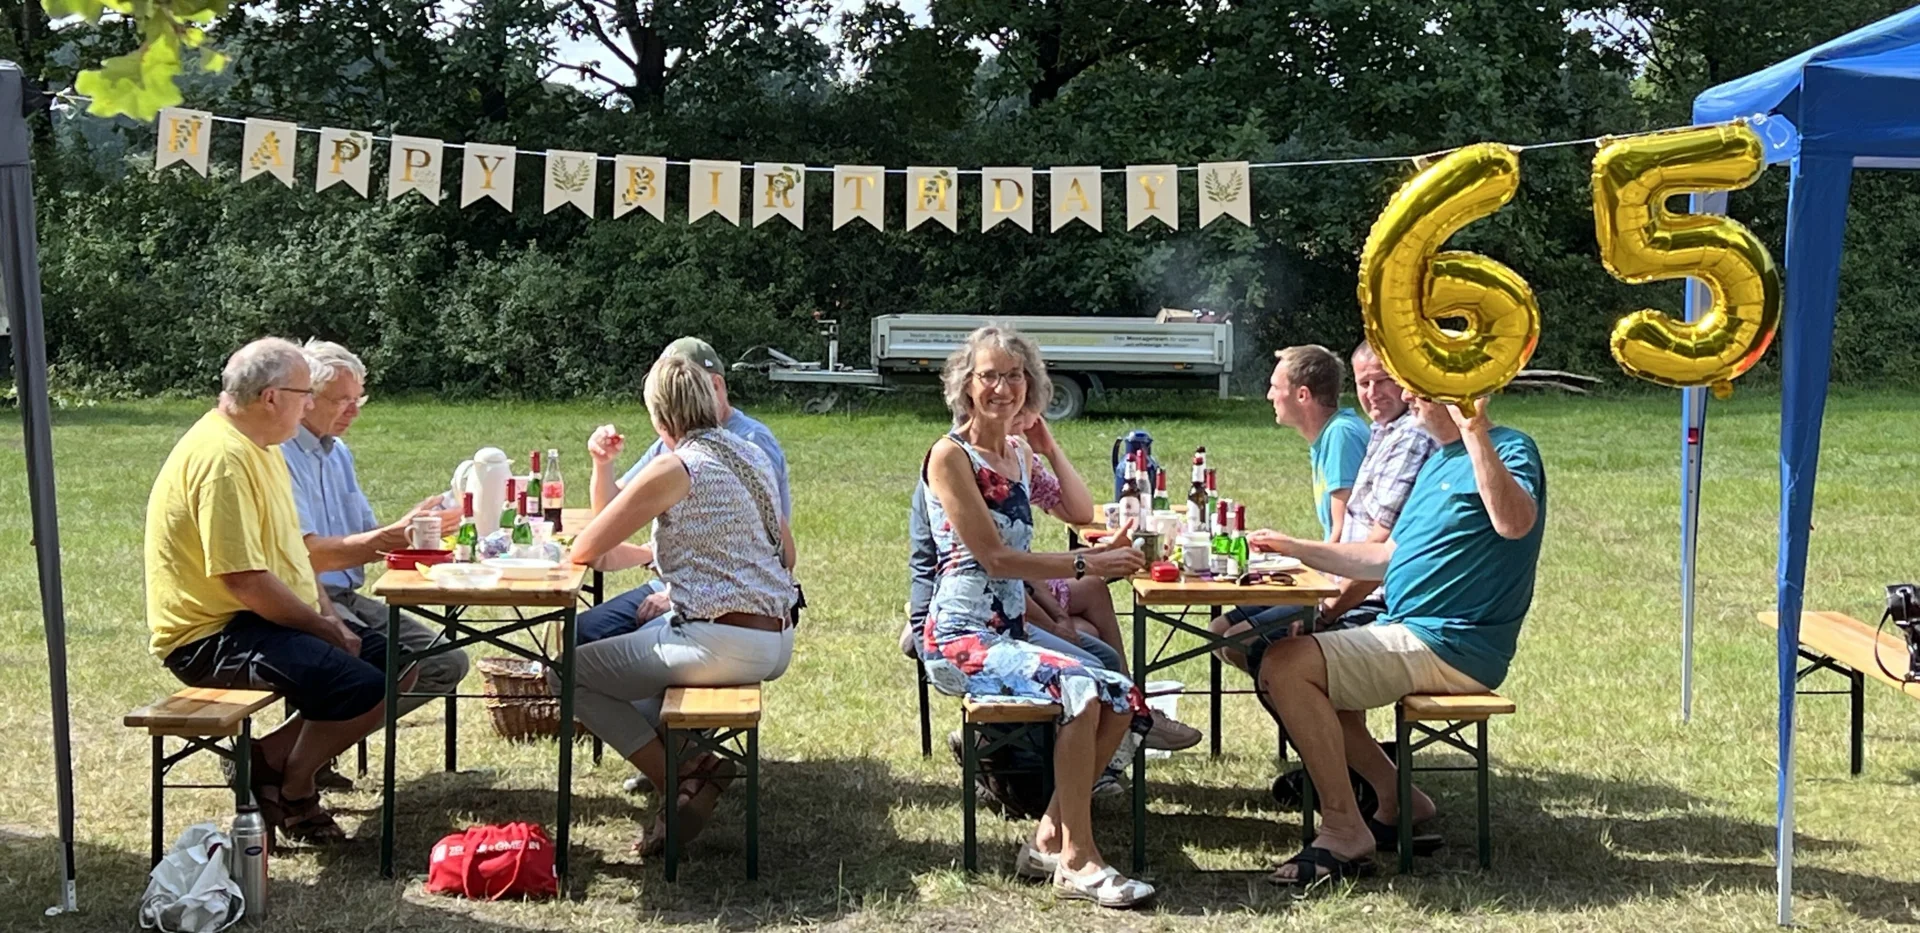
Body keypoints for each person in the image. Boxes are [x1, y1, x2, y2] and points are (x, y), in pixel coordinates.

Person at [1257, 395, 1545, 885]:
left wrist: (1473, 428)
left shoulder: (1510, 448)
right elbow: (1385, 556)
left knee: (1286, 666)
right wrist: (1293, 549)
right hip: (1410, 629)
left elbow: (1513, 524)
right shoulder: (1437, 460)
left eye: (1421, 387)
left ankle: (1345, 830)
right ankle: (1399, 800)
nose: (1408, 396)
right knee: (1279, 657)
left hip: (1452, 644)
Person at [920, 325, 1156, 908]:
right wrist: (1088, 561)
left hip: (1011, 631)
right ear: (966, 386)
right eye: (990, 375)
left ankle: (1049, 837)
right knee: (1079, 685)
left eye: (1015, 375)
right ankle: (1079, 860)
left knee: (1122, 695)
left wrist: (1047, 444)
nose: (1003, 387)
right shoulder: (951, 457)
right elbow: (995, 557)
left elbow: (1079, 509)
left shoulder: (1019, 455)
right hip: (959, 636)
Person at [146, 337, 413, 845]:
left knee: (402, 662)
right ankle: (293, 788)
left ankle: (274, 768)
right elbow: (244, 580)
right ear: (271, 397)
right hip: (210, 634)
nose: (311, 405)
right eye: (305, 393)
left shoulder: (261, 445)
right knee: (359, 685)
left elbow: (293, 551)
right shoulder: (223, 459)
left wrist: (329, 613)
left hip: (257, 618)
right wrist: (322, 626)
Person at [566, 355, 798, 855]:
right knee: (642, 693)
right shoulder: (749, 452)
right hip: (775, 637)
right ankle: (693, 765)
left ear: (660, 418)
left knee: (564, 672)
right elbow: (789, 552)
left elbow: (589, 548)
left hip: (719, 640)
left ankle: (681, 776)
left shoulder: (675, 466)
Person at [279, 340, 470, 789]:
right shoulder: (282, 455)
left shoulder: (337, 452)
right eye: (341, 400)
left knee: (445, 661)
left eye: (357, 399)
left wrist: (418, 526)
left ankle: (307, 748)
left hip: (346, 594)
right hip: (305, 597)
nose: (354, 411)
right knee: (396, 666)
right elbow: (308, 554)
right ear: (306, 399)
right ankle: (291, 758)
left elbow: (368, 539)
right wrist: (393, 535)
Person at [1221, 342, 1440, 671]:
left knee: (1249, 644)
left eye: (1382, 381)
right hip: (1342, 584)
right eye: (1364, 384)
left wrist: (1322, 608)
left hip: (1370, 599)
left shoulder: (1393, 437)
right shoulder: (1383, 431)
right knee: (1225, 634)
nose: (1372, 392)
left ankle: (1314, 711)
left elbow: (1373, 547)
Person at [577, 337, 791, 646]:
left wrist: (671, 595)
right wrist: (603, 464)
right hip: (695, 594)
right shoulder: (681, 445)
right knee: (582, 634)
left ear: (715, 385)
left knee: (574, 667)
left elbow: (773, 549)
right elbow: (612, 512)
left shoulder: (749, 443)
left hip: (723, 610)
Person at [1211, 344, 1373, 672]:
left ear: (1302, 395)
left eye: (1275, 387)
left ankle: (1299, 701)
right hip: (1328, 578)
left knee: (1239, 638)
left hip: (1348, 592)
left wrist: (1306, 578)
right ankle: (1293, 700)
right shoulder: (1330, 435)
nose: (1269, 395)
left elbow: (1345, 536)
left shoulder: (1342, 436)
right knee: (1218, 632)